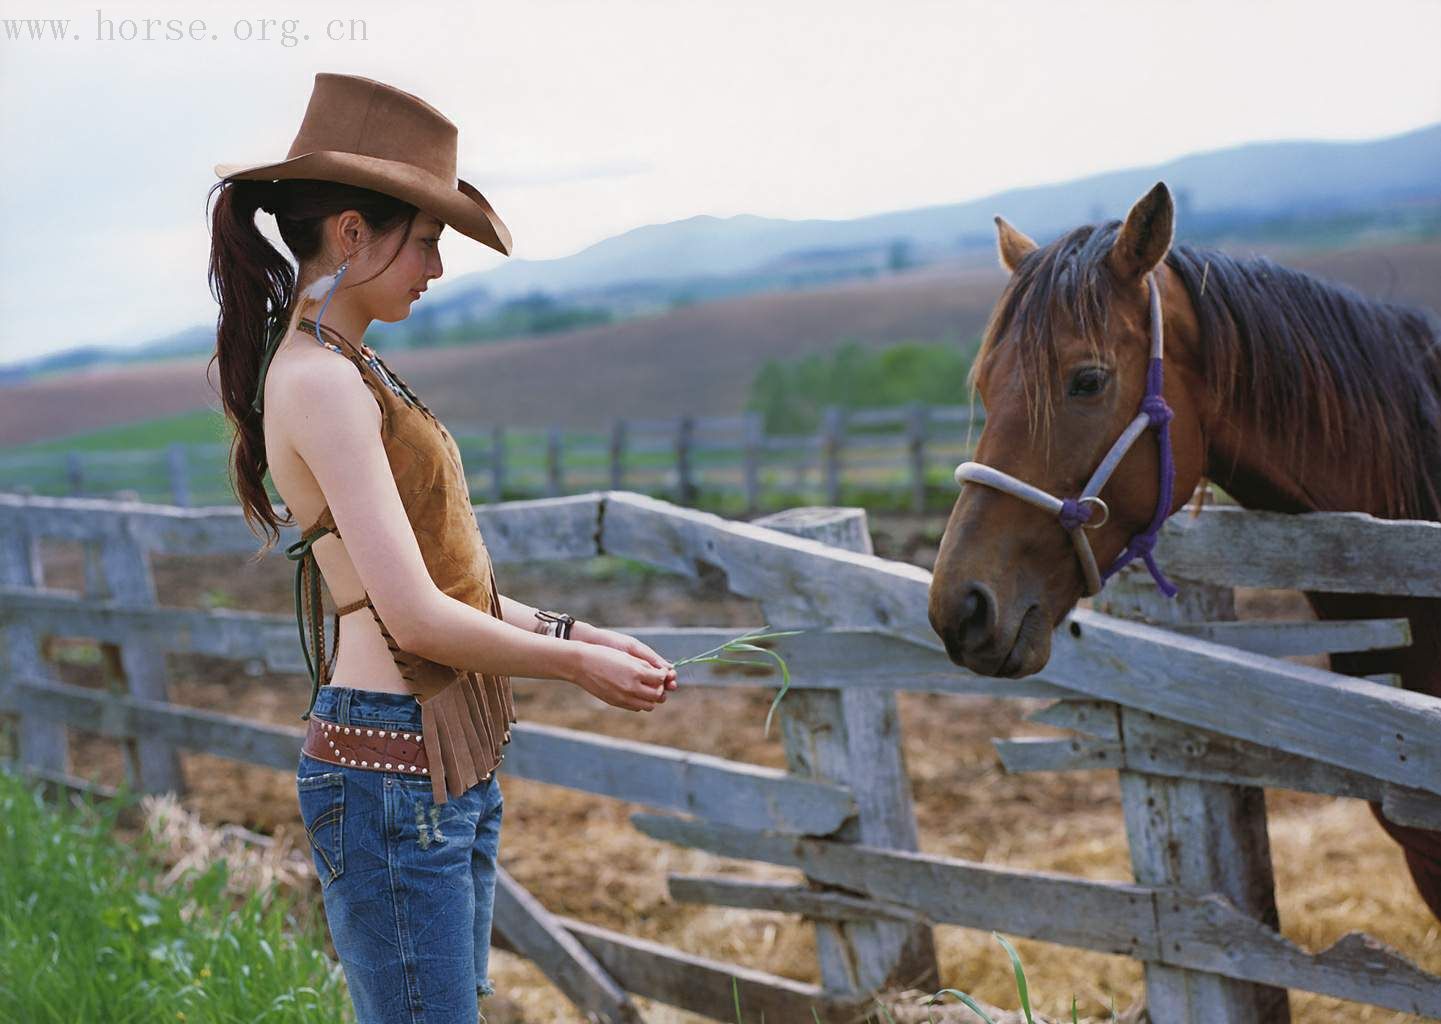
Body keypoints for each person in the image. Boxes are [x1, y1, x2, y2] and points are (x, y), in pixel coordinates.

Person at [207, 72, 677, 1023]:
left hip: (431, 762)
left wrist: (581, 629)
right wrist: (574, 664)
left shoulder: (351, 368)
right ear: (350, 233)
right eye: (423, 240)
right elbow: (413, 617)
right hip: (390, 772)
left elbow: (437, 586)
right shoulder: (321, 382)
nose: (435, 265)